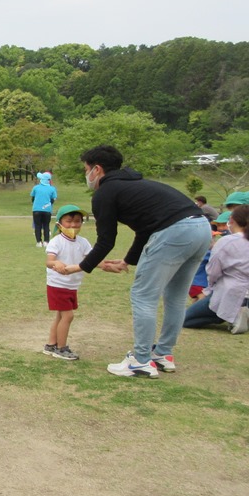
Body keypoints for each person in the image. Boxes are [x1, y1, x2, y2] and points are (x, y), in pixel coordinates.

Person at [54, 145, 211, 378]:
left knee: (143, 295)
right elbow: (144, 229)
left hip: (174, 232)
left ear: (96, 169)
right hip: (202, 229)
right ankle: (163, 354)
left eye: (86, 169)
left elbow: (106, 240)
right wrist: (128, 261)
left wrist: (80, 266)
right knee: (175, 297)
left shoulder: (105, 192)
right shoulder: (137, 185)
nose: (86, 174)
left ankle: (140, 360)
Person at [42, 205, 98, 361]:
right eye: (69, 221)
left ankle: (51, 345)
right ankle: (61, 348)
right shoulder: (56, 241)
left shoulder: (83, 242)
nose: (73, 225)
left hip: (72, 285)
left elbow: (91, 259)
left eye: (77, 221)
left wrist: (107, 265)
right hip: (58, 285)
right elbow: (49, 261)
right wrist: (56, 264)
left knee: (60, 316)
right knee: (68, 316)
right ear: (59, 223)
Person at [183, 206, 249, 334]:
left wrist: (209, 290)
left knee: (185, 319)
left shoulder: (227, 241)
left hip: (231, 291)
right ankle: (236, 314)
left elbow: (213, 272)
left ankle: (233, 315)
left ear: (231, 220)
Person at [30, 172, 58, 248]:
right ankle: (46, 242)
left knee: (37, 226)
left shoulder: (36, 188)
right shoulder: (52, 189)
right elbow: (53, 199)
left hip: (36, 209)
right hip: (47, 210)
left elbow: (32, 198)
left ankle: (39, 242)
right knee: (46, 225)